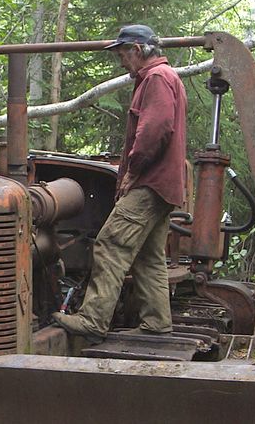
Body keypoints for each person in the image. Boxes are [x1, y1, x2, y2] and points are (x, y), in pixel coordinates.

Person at [52, 24, 187, 343]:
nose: (121, 62)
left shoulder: (155, 78)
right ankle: (156, 322)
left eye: (123, 55)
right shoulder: (166, 77)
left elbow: (155, 130)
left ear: (138, 51)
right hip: (163, 185)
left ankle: (92, 319)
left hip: (149, 183)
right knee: (148, 256)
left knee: (110, 244)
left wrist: (132, 171)